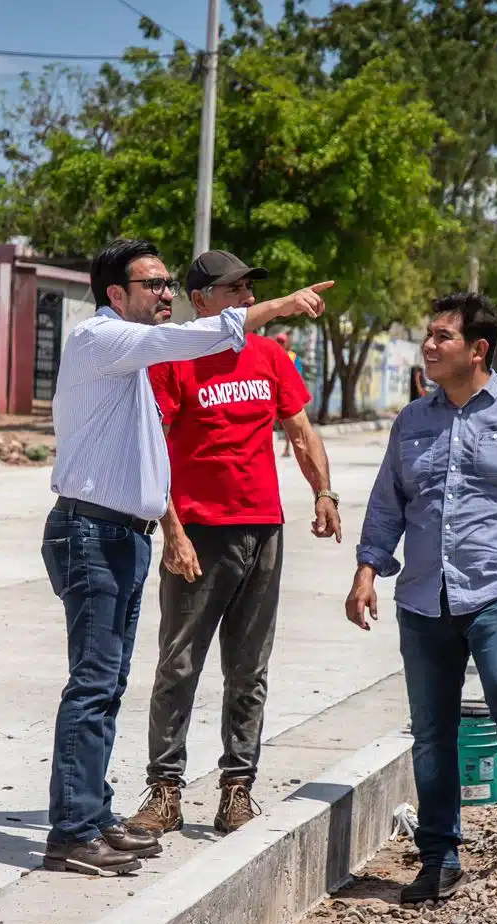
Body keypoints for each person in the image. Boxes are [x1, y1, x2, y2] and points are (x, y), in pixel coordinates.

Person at [41, 237, 331, 877]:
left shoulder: (138, 361)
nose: (164, 295)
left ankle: (91, 818)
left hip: (126, 534)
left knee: (110, 683)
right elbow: (204, 339)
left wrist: (322, 491)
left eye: (170, 283)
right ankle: (73, 831)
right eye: (153, 285)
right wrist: (281, 305)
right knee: (99, 683)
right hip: (93, 531)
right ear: (115, 295)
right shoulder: (104, 339)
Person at [345, 291, 497, 902]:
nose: (429, 346)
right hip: (423, 597)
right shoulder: (412, 421)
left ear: (478, 350)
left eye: (441, 337)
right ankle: (439, 855)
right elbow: (386, 502)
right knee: (431, 729)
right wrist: (368, 570)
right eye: (428, 335)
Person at [127, 251, 341, 838]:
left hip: (262, 531)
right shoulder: (174, 361)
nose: (247, 298)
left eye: (250, 288)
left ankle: (237, 791)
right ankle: (164, 792)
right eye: (233, 290)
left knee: (250, 669)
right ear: (201, 302)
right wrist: (172, 530)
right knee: (179, 665)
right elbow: (154, 450)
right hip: (198, 535)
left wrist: (324, 492)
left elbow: (299, 431)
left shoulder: (270, 356)